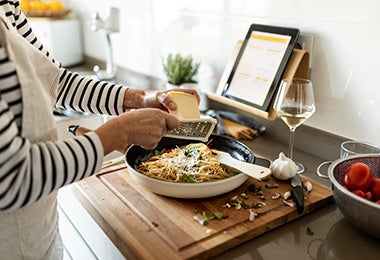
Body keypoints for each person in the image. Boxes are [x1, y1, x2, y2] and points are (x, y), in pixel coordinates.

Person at [0, 1, 199, 259]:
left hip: (38, 231)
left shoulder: (8, 6)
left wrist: (141, 97)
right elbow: (12, 178)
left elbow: (56, 81)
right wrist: (122, 131)